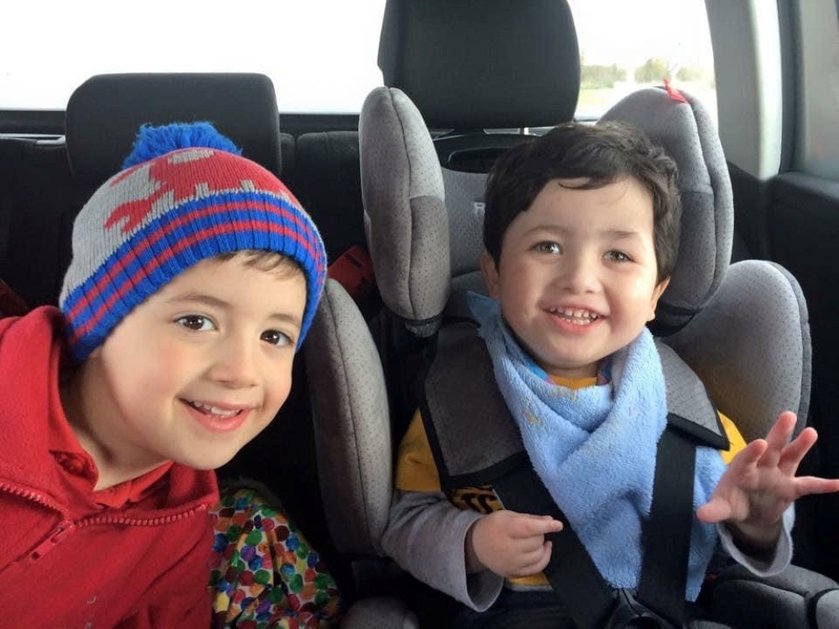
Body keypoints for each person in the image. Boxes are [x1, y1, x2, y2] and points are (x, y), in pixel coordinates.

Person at [381, 121, 839, 625]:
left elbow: (730, 522)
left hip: (663, 611)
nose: (580, 278)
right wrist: (471, 544)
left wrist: (758, 525)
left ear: (656, 294)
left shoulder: (685, 408)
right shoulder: (458, 400)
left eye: (618, 255)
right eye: (547, 246)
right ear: (494, 273)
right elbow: (406, 522)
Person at [0, 121, 329, 627]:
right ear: (100, 319)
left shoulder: (183, 517)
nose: (242, 371)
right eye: (196, 322)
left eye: (274, 336)